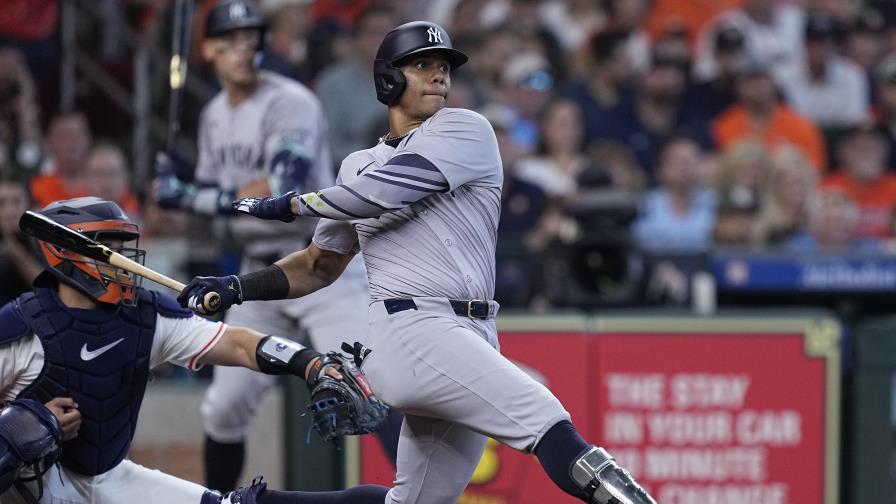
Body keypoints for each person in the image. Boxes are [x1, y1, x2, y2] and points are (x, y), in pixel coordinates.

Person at [178, 20, 656, 504]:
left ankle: (257, 503)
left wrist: (295, 204)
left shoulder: (465, 129)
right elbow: (318, 265)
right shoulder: (355, 167)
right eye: (422, 65)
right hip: (413, 330)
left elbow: (388, 189)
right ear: (388, 78)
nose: (438, 76)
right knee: (545, 418)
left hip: (469, 331)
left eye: (444, 66)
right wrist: (239, 287)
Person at [151, 0, 398, 493]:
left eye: (251, 40)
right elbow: (217, 202)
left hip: (320, 265)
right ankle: (220, 503)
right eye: (230, 42)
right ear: (208, 51)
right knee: (225, 408)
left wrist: (190, 196)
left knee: (370, 386)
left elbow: (277, 191)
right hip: (257, 276)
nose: (243, 51)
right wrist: (175, 194)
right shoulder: (215, 115)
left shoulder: (291, 102)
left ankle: (421, 495)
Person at [0, 196, 375, 504]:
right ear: (63, 254)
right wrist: (22, 423)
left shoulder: (145, 317)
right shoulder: (19, 328)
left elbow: (241, 345)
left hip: (110, 479)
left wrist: (308, 364)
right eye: (108, 249)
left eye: (123, 247)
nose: (124, 261)